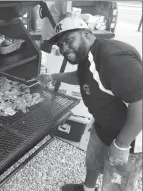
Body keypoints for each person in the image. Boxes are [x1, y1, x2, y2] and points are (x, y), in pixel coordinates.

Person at [37, 16, 143, 191]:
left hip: (130, 135)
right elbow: (82, 76)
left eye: (69, 40)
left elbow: (140, 101)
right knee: (93, 162)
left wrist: (122, 144)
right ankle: (88, 189)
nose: (64, 48)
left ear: (86, 34)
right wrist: (51, 77)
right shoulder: (88, 55)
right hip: (104, 124)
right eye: (60, 44)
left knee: (116, 183)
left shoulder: (114, 58)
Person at [40, 1, 72, 74]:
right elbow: (67, 17)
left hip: (52, 36)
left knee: (47, 64)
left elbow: (67, 17)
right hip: (51, 36)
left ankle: (50, 79)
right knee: (46, 64)